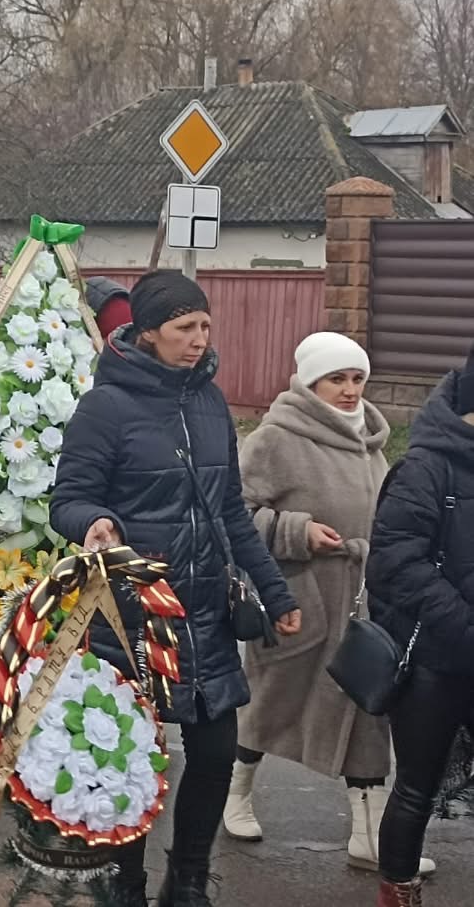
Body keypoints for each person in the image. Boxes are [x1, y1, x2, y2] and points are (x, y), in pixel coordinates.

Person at [51, 269, 299, 907]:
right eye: (185, 328)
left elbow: (232, 513)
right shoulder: (106, 406)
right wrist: (95, 521)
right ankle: (123, 884)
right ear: (149, 332)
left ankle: (187, 878)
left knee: (215, 753)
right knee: (132, 760)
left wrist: (275, 593)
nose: (199, 339)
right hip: (134, 616)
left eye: (205, 326)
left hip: (206, 612)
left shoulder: (209, 400)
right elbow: (69, 500)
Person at [229, 333, 435, 877]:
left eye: (356, 378)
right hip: (299, 598)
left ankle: (368, 837)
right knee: (271, 704)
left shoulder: (371, 439)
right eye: (336, 379)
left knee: (369, 711)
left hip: (365, 602)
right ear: (310, 381)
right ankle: (237, 795)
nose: (349, 390)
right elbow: (235, 517)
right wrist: (296, 532)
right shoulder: (275, 438)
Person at [366, 344, 474, 907]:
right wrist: (463, 625)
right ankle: (398, 893)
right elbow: (394, 562)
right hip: (434, 661)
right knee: (415, 790)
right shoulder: (427, 465)